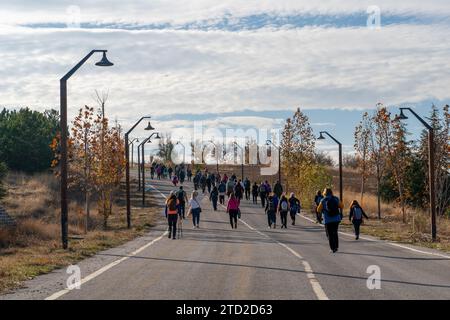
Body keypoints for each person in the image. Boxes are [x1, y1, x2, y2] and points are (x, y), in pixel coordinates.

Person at [317, 188, 344, 253]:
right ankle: (336, 247)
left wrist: (321, 215)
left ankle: (333, 248)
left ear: (324, 193)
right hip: (336, 219)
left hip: (327, 220)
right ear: (331, 192)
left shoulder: (323, 200)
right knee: (335, 233)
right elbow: (342, 206)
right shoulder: (336, 198)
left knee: (329, 234)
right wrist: (340, 212)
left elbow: (318, 210)